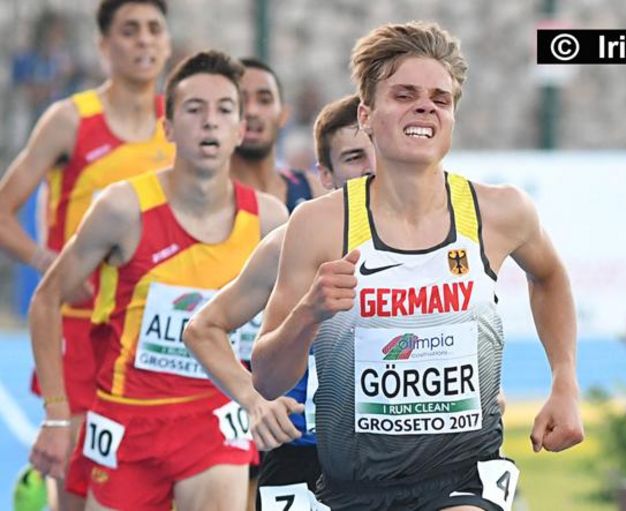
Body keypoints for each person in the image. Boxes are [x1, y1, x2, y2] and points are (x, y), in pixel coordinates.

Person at [252, 21, 584, 510]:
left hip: (463, 474)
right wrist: (308, 314)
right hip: (353, 489)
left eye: (440, 99)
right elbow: (267, 379)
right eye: (404, 94)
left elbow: (549, 276)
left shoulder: (499, 212)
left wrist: (564, 381)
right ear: (366, 115)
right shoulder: (319, 225)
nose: (425, 107)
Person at [28, 49, 292, 511]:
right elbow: (46, 300)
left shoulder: (270, 220)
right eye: (195, 109)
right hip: (127, 422)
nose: (210, 121)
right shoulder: (122, 208)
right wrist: (56, 413)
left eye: (224, 110)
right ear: (167, 127)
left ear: (238, 129)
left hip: (214, 421)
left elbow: (289, 320)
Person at [0, 1, 173, 509]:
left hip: (153, 331)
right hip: (79, 326)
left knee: (153, 479)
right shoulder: (70, 121)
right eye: (130, 30)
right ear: (103, 45)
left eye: (154, 29)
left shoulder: (180, 121)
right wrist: (48, 263)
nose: (144, 40)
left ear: (167, 43)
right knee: (78, 479)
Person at [183, 93, 375, 511]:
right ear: (326, 175)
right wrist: (254, 401)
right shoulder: (290, 244)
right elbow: (202, 328)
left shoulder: (433, 240)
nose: (371, 166)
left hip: (406, 457)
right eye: (354, 157)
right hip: (304, 458)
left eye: (377, 149)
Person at [231, 58, 326, 211]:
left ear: (284, 115)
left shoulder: (314, 193)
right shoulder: (205, 200)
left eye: (264, 100)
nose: (251, 111)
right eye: (240, 101)